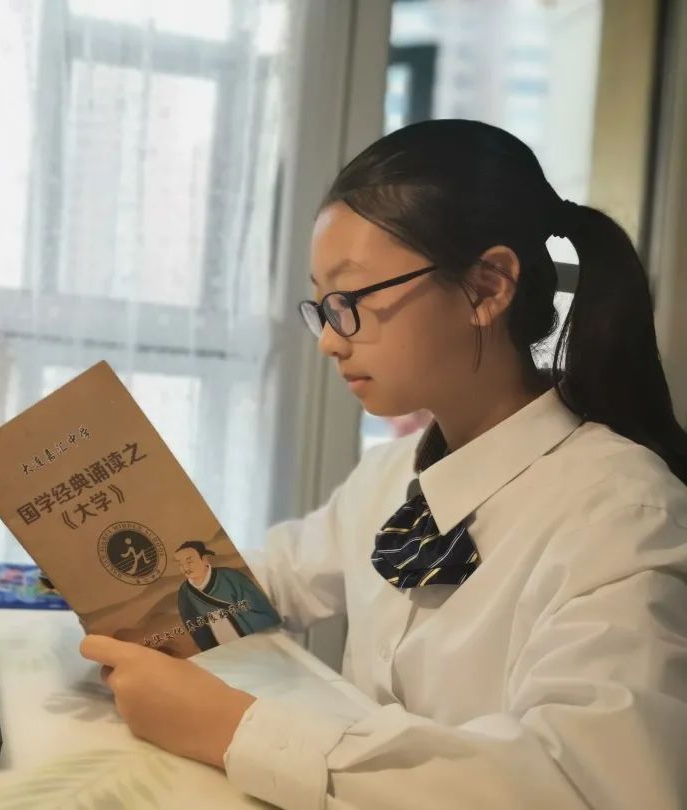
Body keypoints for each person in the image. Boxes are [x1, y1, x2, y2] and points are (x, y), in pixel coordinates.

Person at [80, 118, 687, 809]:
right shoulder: (389, 476)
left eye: (352, 301)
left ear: (488, 287)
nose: (329, 342)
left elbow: (588, 786)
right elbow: (274, 579)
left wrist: (231, 728)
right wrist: (126, 589)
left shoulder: (621, 512)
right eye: (323, 306)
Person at [173, 540, 281, 650]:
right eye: (180, 564)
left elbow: (258, 605)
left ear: (204, 559)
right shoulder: (185, 592)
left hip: (253, 640)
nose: (185, 568)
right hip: (224, 647)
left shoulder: (231, 577)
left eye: (189, 562)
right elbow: (195, 627)